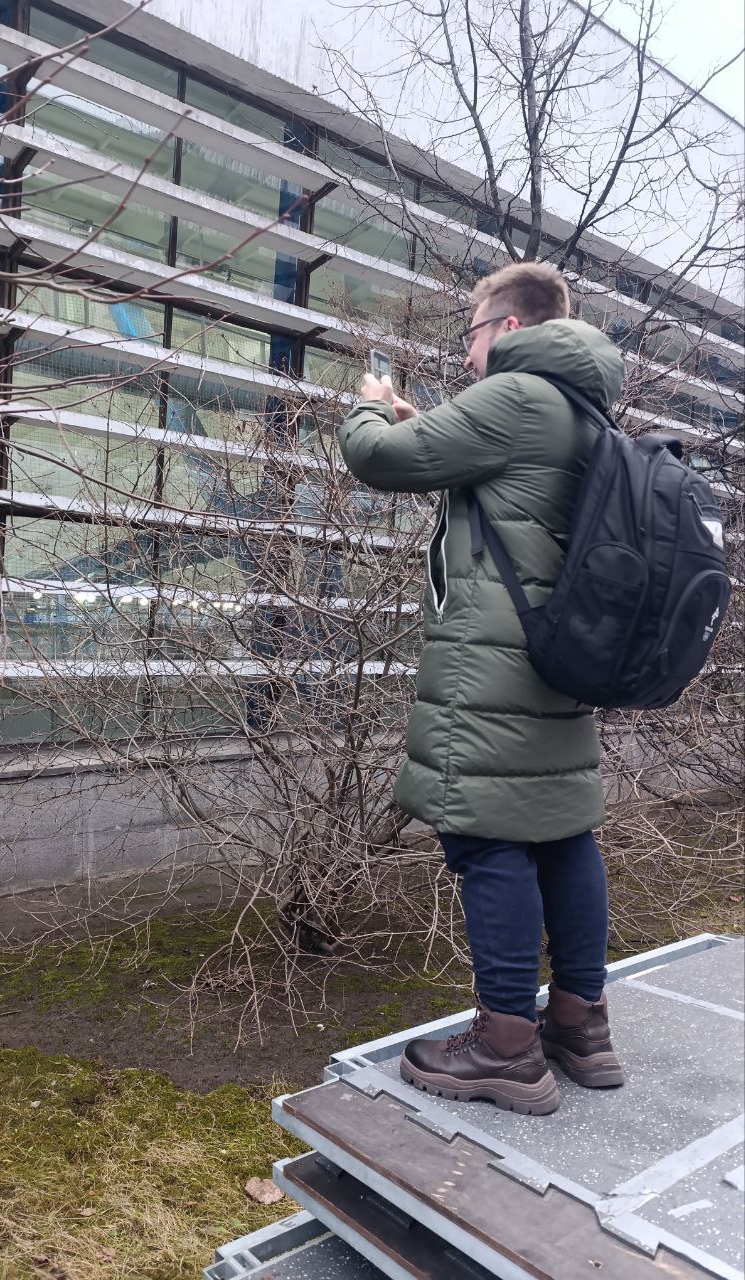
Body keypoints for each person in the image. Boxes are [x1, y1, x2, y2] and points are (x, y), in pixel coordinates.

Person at [338, 262, 626, 1116]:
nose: (466, 356)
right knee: (561, 831)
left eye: (469, 334)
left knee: (486, 835)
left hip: (494, 662)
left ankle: (506, 1047)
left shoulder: (516, 395)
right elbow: (503, 486)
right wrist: (423, 419)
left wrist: (367, 405)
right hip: (558, 657)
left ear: (507, 327)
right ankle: (580, 1026)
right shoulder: (580, 407)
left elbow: (378, 459)